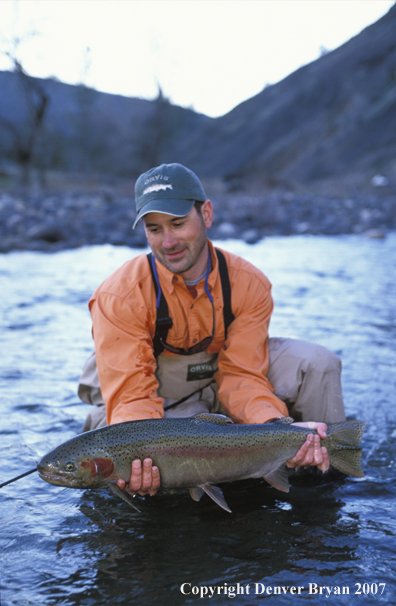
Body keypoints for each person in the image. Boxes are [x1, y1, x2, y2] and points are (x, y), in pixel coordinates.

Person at [78, 163, 346, 499]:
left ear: (206, 214)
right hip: (156, 383)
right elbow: (133, 396)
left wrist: (277, 431)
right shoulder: (119, 295)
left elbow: (243, 375)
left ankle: (326, 460)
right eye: (154, 229)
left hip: (222, 371)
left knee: (319, 363)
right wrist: (138, 458)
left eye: (178, 223)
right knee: (168, 472)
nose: (168, 241)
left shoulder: (249, 282)